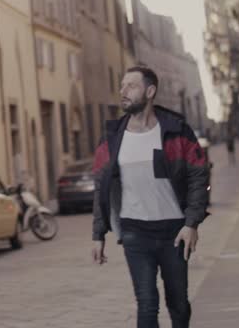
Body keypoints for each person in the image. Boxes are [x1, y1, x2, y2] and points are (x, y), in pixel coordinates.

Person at [91, 66, 210, 328]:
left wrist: (191, 224)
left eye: (130, 86)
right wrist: (98, 235)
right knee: (146, 302)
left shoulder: (177, 131)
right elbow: (101, 186)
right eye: (122, 86)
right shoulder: (112, 138)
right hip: (135, 231)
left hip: (174, 233)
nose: (122, 91)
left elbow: (199, 176)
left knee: (178, 303)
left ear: (150, 91)